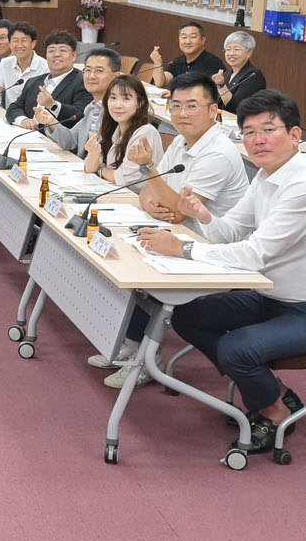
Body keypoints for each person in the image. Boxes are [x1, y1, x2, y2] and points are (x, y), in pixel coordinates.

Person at [134, 90, 306, 452]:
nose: (257, 140)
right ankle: (275, 393)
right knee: (190, 316)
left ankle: (273, 412)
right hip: (274, 299)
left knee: (236, 348)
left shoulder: (304, 185)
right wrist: (204, 216)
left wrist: (183, 248)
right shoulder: (267, 176)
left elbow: (255, 255)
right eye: (249, 132)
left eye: (268, 129)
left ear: (295, 135)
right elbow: (232, 232)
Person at [97, 72, 251, 387]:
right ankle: (130, 346)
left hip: (214, 250)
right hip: (182, 236)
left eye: (192, 106)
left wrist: (149, 173)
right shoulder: (181, 141)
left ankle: (146, 359)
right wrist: (153, 200)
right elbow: (151, 193)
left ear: (213, 111)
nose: (182, 113)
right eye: (176, 105)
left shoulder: (218, 152)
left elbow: (179, 211)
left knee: (138, 266)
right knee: (122, 249)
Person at [81, 73, 164, 188]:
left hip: (137, 197)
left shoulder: (146, 132)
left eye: (126, 99)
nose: (118, 105)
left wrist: (99, 169)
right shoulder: (113, 128)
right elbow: (89, 168)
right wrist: (93, 155)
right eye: (113, 98)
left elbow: (122, 179)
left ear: (140, 103)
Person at [10, 30, 88, 127]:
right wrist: (23, 120)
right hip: (25, 133)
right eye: (51, 51)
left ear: (73, 56)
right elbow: (14, 108)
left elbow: (80, 115)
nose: (56, 54)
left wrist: (52, 105)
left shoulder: (83, 82)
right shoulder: (33, 81)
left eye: (63, 50)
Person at [149, 21, 226, 89]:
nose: (187, 41)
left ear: (203, 40)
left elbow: (207, 91)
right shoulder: (178, 61)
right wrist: (157, 63)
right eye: (184, 37)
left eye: (193, 37)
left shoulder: (213, 62)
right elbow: (160, 83)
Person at [0, 21, 43, 106]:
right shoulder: (5, 63)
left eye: (24, 40)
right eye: (15, 41)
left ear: (33, 44)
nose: (19, 45)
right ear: (10, 44)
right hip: (10, 113)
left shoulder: (45, 67)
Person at [217, 30, 265, 110]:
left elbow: (236, 108)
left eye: (236, 49)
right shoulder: (227, 73)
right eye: (228, 49)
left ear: (249, 52)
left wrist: (221, 85)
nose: (231, 53)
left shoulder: (253, 76)